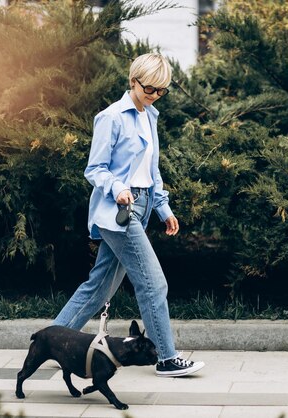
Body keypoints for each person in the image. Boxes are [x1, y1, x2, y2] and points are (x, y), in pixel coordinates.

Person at [53, 53, 204, 377]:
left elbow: (152, 169)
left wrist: (164, 208)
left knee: (98, 288)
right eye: (149, 88)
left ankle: (49, 340)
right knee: (153, 284)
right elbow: (95, 169)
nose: (154, 95)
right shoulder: (111, 117)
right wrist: (117, 188)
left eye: (161, 90)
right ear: (133, 80)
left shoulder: (149, 115)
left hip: (144, 203)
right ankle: (166, 358)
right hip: (118, 210)